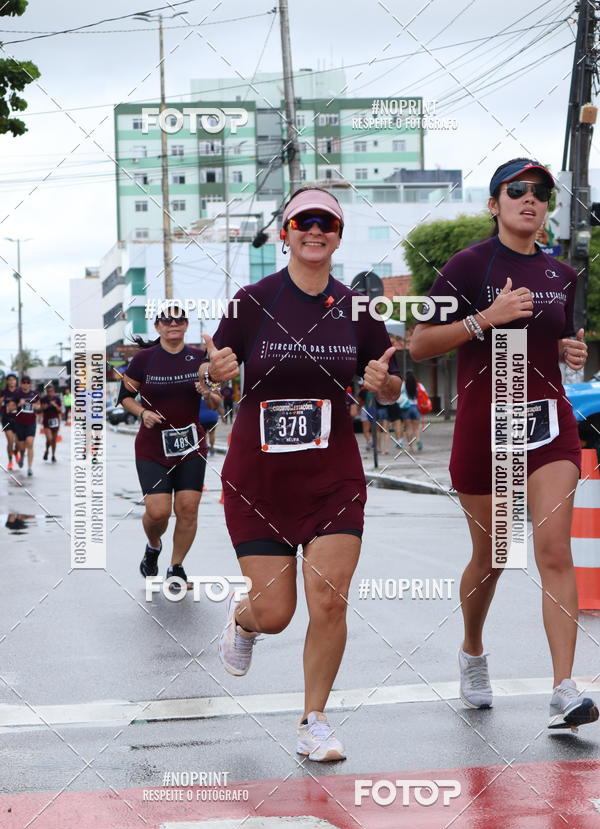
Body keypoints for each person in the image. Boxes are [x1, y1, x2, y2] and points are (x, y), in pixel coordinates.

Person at [201, 186, 401, 760]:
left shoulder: (357, 309)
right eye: (303, 221)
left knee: (330, 599)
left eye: (327, 223)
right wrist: (213, 373)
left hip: (332, 473)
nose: (315, 231)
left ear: (338, 236)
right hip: (259, 477)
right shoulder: (251, 302)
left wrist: (382, 385)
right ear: (285, 232)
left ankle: (314, 720)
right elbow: (210, 377)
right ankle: (243, 622)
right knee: (276, 613)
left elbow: (383, 382)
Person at [411, 157, 598, 731]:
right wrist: (485, 318)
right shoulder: (468, 267)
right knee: (494, 556)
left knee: (553, 551)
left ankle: (565, 687)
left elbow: (556, 341)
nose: (530, 199)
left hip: (547, 428)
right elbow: (418, 344)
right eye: (516, 190)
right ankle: (472, 650)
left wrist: (570, 354)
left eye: (540, 192)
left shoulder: (562, 275)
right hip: (484, 427)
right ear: (494, 203)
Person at [119, 305, 220, 591]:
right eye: (167, 319)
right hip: (153, 447)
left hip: (190, 445)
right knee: (159, 512)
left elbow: (215, 403)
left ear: (186, 325)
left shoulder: (199, 358)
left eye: (179, 319)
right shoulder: (143, 359)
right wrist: (142, 413)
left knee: (188, 509)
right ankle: (153, 546)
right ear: (158, 326)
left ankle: (176, 567)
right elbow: (125, 396)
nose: (173, 324)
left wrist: (208, 392)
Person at [14, 375, 40, 476]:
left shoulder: (35, 394)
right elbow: (12, 406)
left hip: (31, 422)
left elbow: (39, 405)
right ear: (21, 384)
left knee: (29, 443)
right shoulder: (17, 394)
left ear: (30, 383)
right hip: (19, 422)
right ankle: (21, 456)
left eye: (27, 382)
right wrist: (19, 404)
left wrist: (34, 405)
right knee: (21, 446)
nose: (25, 384)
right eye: (24, 382)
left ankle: (29, 468)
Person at [398, 370, 423, 451]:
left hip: (406, 407)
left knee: (408, 428)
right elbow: (422, 394)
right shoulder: (418, 385)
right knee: (416, 428)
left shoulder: (403, 384)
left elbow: (399, 394)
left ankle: (410, 447)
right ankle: (418, 441)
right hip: (415, 407)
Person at [1, 373, 19, 470]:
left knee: (18, 442)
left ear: (16, 381)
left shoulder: (19, 392)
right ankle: (10, 461)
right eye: (10, 380)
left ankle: (16, 452)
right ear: (7, 381)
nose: (11, 381)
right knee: (10, 441)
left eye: (13, 380)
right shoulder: (3, 392)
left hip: (18, 419)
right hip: (6, 419)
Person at [40, 383, 62, 462]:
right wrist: (44, 407)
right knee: (49, 439)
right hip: (46, 421)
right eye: (48, 391)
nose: (50, 393)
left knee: (54, 440)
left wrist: (55, 405)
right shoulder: (44, 399)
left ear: (54, 391)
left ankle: (53, 455)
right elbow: (40, 409)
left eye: (51, 391)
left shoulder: (57, 399)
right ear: (46, 392)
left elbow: (60, 410)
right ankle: (46, 450)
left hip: (55, 421)